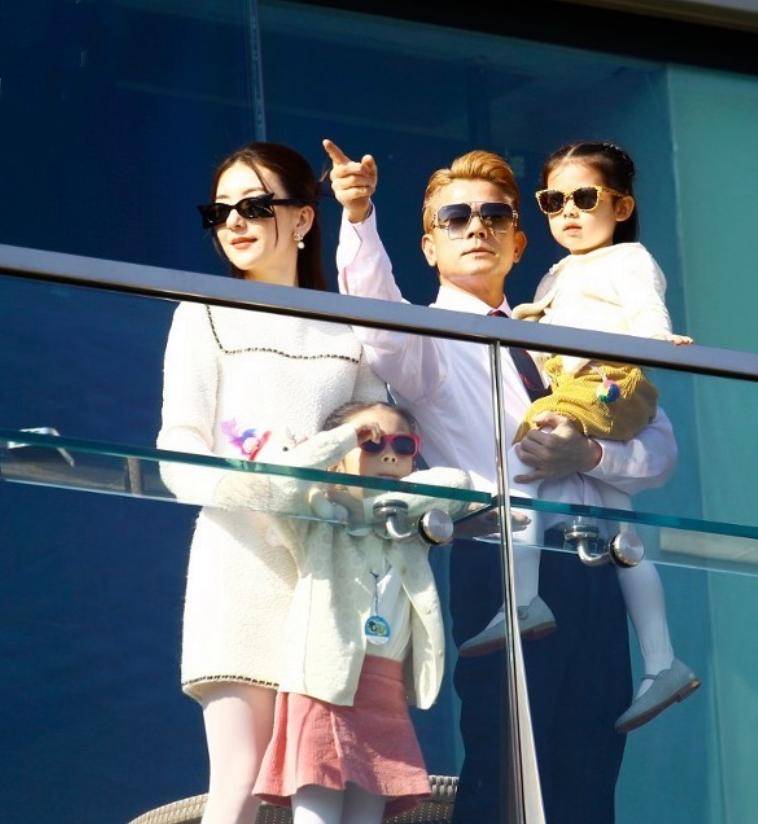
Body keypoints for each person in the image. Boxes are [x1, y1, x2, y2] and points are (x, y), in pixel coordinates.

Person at [323, 138, 678, 823]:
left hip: (599, 570)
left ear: (518, 242)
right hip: (507, 568)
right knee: (509, 773)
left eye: (494, 216)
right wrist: (359, 215)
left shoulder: (567, 325)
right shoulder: (426, 337)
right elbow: (374, 313)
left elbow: (659, 450)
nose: (476, 227)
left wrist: (591, 458)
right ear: (429, 247)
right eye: (455, 218)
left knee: (589, 778)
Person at [156, 141, 385, 824]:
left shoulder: (352, 329)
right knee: (242, 779)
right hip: (239, 563)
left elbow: (379, 445)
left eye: (254, 206)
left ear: (304, 218)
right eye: (219, 210)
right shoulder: (203, 311)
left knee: (338, 776)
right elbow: (178, 447)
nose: (234, 221)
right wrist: (261, 485)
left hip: (330, 573)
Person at [460, 141, 700, 734]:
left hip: (607, 380)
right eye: (553, 201)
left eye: (585, 198)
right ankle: (662, 661)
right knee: (625, 535)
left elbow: (645, 309)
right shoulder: (557, 273)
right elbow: (551, 330)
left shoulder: (627, 258)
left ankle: (524, 599)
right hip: (588, 383)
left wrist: (656, 341)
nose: (568, 211)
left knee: (527, 444)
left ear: (621, 207)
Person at [242, 400, 471, 824]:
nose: (389, 454)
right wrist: (346, 437)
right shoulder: (319, 519)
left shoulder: (406, 524)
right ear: (337, 457)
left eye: (403, 445)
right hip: (323, 685)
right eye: (372, 443)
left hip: (385, 690)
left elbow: (457, 482)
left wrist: (375, 506)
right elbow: (282, 482)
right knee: (318, 817)